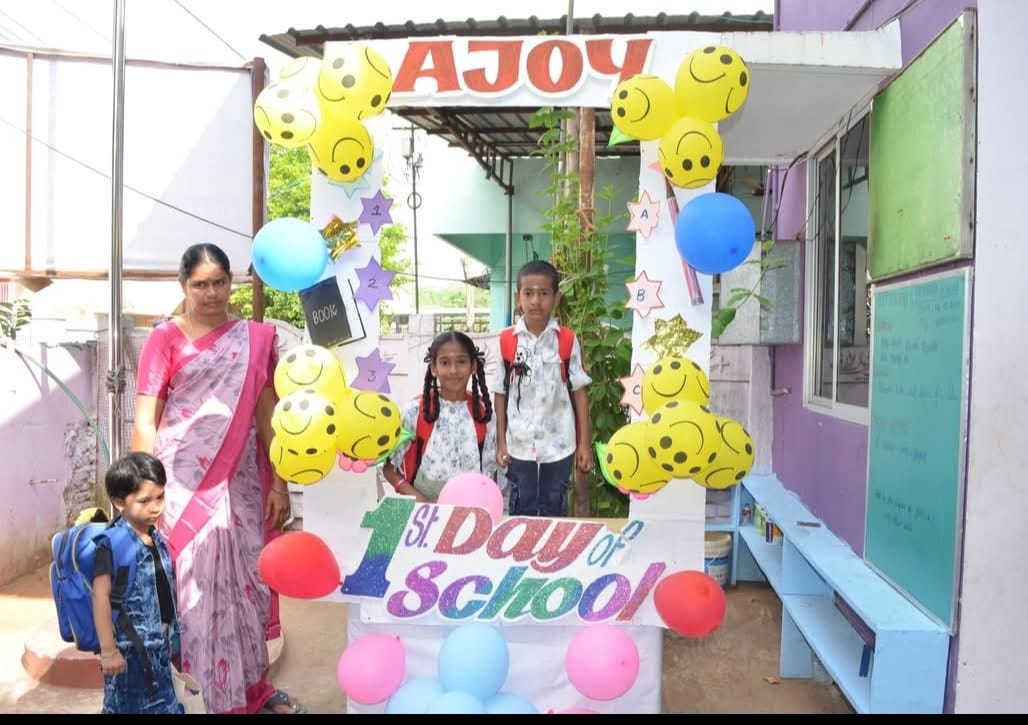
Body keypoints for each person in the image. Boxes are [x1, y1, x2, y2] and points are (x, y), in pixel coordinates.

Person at [131, 243, 305, 715]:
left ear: (232, 283)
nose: (211, 293)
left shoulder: (255, 339)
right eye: (200, 284)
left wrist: (280, 483)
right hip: (180, 482)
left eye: (219, 282)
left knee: (247, 584)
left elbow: (267, 415)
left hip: (242, 480)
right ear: (184, 285)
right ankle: (199, 696)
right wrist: (140, 494)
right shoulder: (164, 339)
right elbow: (146, 419)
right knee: (191, 590)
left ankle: (250, 689)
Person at [491, 260, 594, 517]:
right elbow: (500, 394)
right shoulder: (506, 341)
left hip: (559, 445)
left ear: (556, 298)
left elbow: (580, 393)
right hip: (518, 444)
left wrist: (584, 444)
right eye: (528, 293)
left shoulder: (566, 340)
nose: (536, 301)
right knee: (521, 506)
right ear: (518, 298)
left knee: (554, 506)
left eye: (544, 293)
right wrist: (501, 442)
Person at [94, 451, 184, 715]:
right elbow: (100, 596)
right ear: (119, 503)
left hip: (159, 649)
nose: (156, 507)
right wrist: (108, 651)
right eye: (145, 501)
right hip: (128, 655)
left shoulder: (156, 537)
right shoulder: (112, 544)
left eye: (160, 497)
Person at [383, 331, 499, 502]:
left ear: (473, 366)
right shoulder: (415, 411)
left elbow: (489, 475)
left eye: (461, 362)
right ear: (433, 368)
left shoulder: (484, 414)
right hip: (424, 509)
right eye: (445, 363)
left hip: (470, 508)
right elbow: (389, 468)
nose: (453, 370)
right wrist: (421, 501)